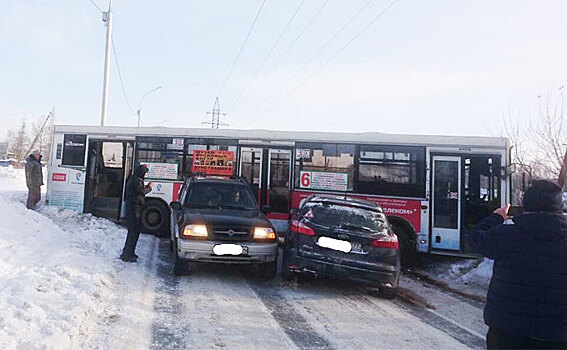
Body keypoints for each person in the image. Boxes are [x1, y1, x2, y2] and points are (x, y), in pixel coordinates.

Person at [470, 180, 567, 349]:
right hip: (557, 336)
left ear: (525, 205)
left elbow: (475, 238)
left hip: (506, 334)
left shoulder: (504, 236)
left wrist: (497, 217)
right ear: (559, 207)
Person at [120, 164, 153, 262]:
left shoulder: (137, 179)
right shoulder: (135, 181)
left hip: (135, 209)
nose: (145, 175)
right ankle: (127, 255)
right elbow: (142, 191)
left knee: (135, 232)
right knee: (133, 232)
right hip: (133, 210)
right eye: (145, 173)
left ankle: (130, 252)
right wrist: (149, 187)